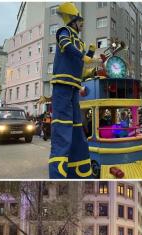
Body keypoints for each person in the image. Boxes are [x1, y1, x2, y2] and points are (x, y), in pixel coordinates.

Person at [47, 2, 96, 178]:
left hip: (75, 86)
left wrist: (92, 59)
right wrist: (84, 55)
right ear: (73, 19)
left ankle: (78, 169)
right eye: (80, 20)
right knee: (62, 126)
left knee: (77, 127)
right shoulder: (64, 32)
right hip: (62, 84)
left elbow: (83, 66)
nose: (82, 24)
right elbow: (67, 46)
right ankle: (58, 172)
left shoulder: (81, 43)